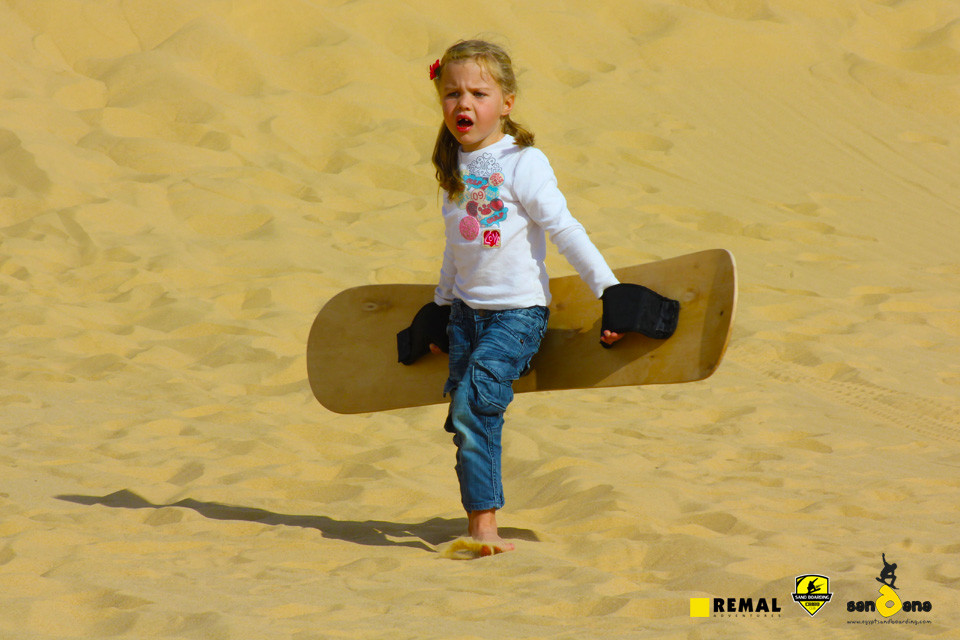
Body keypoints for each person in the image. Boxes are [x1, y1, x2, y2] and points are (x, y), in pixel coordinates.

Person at [404, 40, 670, 555]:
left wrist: (609, 291)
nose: (464, 104)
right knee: (463, 419)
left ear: (506, 101)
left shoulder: (524, 162)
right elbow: (457, 246)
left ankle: (486, 533)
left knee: (474, 400)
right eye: (452, 93)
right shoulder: (454, 167)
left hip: (517, 317)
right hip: (465, 317)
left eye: (479, 93)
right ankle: (478, 521)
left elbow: (565, 229)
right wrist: (439, 306)